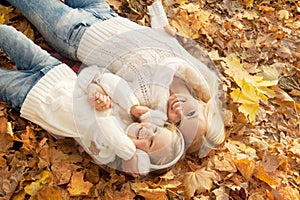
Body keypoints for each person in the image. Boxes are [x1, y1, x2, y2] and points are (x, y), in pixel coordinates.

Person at [6, 0, 225, 158]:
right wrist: (155, 7)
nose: (178, 111)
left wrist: (98, 95)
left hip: (77, 34)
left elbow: (104, 80)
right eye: (191, 113)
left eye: (178, 122)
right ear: (203, 103)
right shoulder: (191, 72)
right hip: (106, 14)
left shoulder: (145, 100)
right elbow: (164, 36)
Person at [0, 25, 185, 176]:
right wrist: (97, 88)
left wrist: (129, 148)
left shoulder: (108, 151)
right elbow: (98, 75)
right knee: (9, 34)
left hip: (34, 97)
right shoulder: (129, 108)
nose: (146, 133)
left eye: (150, 143)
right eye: (154, 129)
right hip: (54, 72)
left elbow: (112, 134)